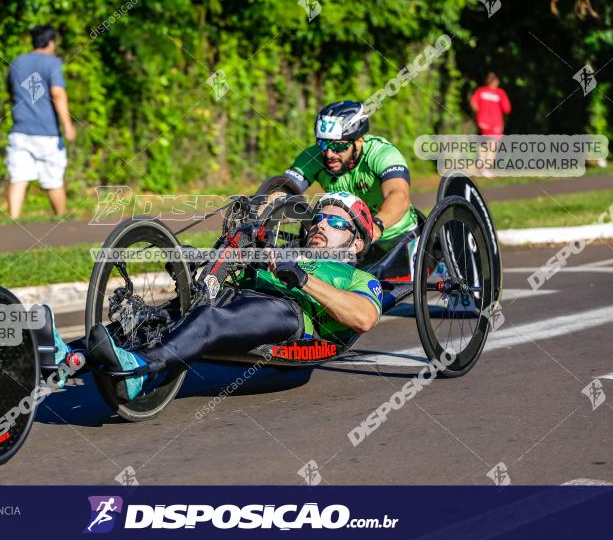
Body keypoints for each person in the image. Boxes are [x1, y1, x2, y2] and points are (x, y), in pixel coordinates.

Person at [85, 192, 383, 402]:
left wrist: (302, 278)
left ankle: (141, 371)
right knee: (153, 318)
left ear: (356, 243)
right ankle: (68, 355)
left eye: (337, 223)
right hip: (240, 296)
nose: (321, 225)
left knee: (208, 318)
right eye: (319, 218)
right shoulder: (285, 250)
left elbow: (364, 317)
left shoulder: (358, 278)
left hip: (290, 313)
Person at [264, 101, 419, 259]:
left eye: (338, 146)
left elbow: (399, 195)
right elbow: (282, 190)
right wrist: (257, 216)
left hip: (396, 237)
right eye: (323, 144)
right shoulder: (314, 156)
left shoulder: (382, 153)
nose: (329, 153)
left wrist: (376, 226)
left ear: (358, 141)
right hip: (347, 241)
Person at [6, 25, 76, 218]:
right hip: (47, 133)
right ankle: (61, 219)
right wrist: (68, 126)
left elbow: (12, 93)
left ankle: (13, 221)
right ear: (51, 43)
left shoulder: (17, 62)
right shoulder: (52, 64)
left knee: (18, 178)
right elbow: (58, 94)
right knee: (53, 180)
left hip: (20, 130)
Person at [470, 72, 511, 177]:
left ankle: (481, 160)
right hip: (496, 123)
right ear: (496, 81)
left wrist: (479, 113)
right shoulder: (500, 93)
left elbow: (473, 103)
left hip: (482, 122)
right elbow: (507, 109)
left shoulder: (480, 91)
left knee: (484, 143)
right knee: (493, 145)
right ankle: (486, 169)